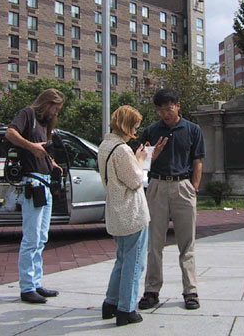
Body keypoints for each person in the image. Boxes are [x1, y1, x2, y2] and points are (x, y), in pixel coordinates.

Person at [97, 105, 166, 327]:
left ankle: (111, 302)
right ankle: (126, 309)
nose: (136, 131)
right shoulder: (121, 150)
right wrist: (142, 159)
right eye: (135, 126)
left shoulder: (105, 146)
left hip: (116, 211)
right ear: (127, 125)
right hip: (131, 212)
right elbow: (136, 180)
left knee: (122, 259)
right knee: (134, 263)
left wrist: (137, 158)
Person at [138, 88, 205, 311]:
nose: (164, 114)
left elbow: (198, 160)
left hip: (183, 186)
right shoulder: (151, 131)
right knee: (154, 243)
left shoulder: (193, 130)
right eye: (160, 110)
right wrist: (152, 154)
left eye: (168, 109)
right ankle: (151, 290)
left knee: (187, 243)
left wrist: (193, 187)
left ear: (178, 106)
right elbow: (140, 161)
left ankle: (190, 290)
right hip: (157, 185)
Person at [5, 88, 65, 304]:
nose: (56, 113)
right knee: (31, 238)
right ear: (47, 104)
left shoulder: (44, 124)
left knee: (41, 237)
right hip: (33, 181)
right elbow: (10, 133)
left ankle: (36, 282)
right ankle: (27, 286)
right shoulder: (28, 114)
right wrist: (31, 147)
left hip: (44, 181)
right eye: (55, 108)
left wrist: (52, 163)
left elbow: (42, 150)